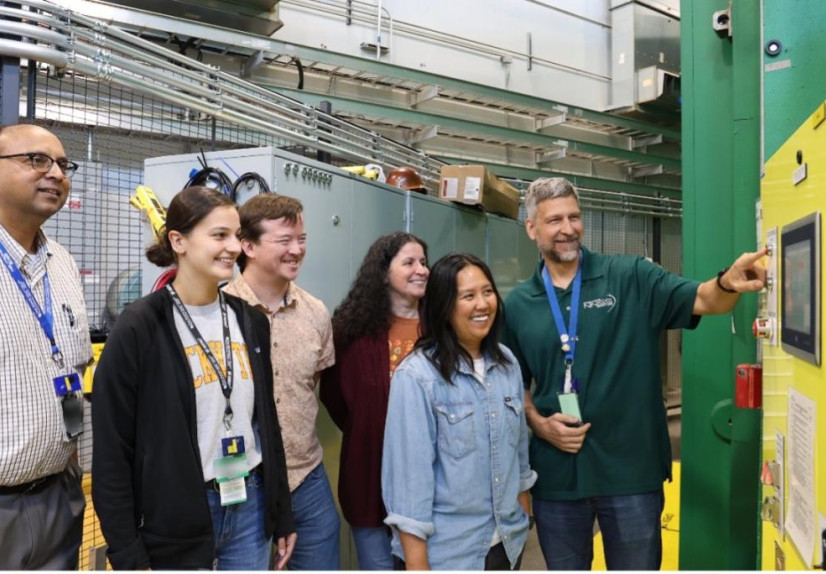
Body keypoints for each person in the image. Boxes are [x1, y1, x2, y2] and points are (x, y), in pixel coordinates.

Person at [501, 177, 768, 570]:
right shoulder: (520, 303)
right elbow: (514, 384)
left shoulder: (629, 276)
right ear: (531, 228)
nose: (568, 228)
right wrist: (539, 424)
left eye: (574, 216)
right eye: (554, 220)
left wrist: (728, 280)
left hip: (630, 476)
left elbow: (703, 299)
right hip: (558, 478)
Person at [92, 187, 295, 570]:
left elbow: (267, 422)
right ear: (178, 241)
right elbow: (112, 452)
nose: (234, 247)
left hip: (249, 505)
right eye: (219, 235)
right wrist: (125, 550)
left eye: (236, 235)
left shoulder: (249, 320)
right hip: (176, 516)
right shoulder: (139, 327)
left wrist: (281, 511)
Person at [382, 253, 537, 570]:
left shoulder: (506, 362)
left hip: (507, 544)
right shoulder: (417, 377)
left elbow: (519, 448)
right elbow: (409, 486)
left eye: (488, 292)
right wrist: (417, 564)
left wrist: (524, 512)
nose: (482, 304)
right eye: (468, 296)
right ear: (444, 306)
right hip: (448, 555)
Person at [223, 193, 340, 570]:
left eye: (302, 239)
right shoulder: (219, 312)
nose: (296, 250)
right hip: (242, 485)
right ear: (248, 246)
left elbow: (312, 385)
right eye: (284, 241)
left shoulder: (316, 312)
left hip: (307, 480)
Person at [0, 124, 92, 570]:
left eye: (62, 164)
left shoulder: (63, 263)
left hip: (60, 493)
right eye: (36, 160)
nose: (55, 173)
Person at [320, 232, 429, 570]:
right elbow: (334, 396)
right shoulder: (351, 332)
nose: (421, 270)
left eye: (424, 262)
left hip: (431, 481)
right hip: (369, 476)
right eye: (409, 262)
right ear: (383, 274)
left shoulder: (442, 328)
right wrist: (369, 427)